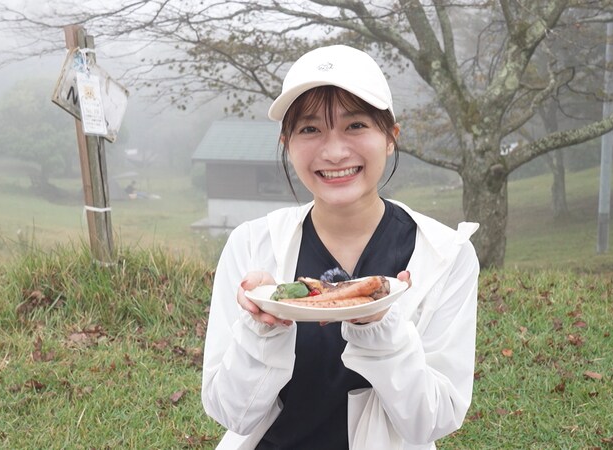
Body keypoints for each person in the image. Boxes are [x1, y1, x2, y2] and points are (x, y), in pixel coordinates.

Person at [201, 45, 479, 450]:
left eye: (356, 125)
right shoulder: (252, 245)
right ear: (287, 142)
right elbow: (231, 415)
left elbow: (431, 422)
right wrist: (262, 326)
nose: (333, 152)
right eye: (310, 129)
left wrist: (380, 329)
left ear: (390, 138)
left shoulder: (444, 255)